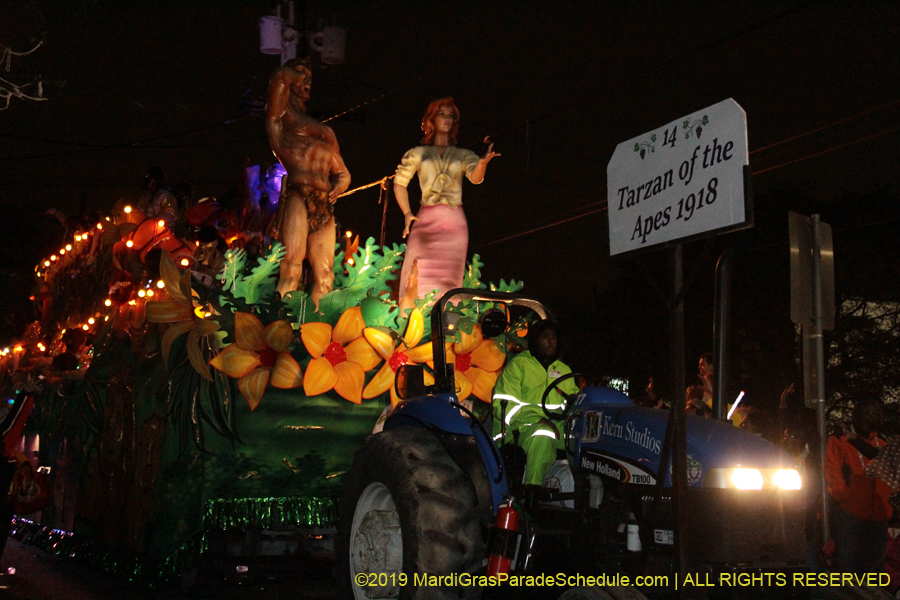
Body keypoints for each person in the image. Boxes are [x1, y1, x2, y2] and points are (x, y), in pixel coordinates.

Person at [394, 98, 499, 308]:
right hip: (425, 220)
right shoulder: (418, 153)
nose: (447, 120)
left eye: (451, 116)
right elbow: (399, 183)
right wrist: (406, 212)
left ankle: (443, 326)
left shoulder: (463, 155)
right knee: (413, 278)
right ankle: (409, 329)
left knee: (448, 283)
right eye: (442, 114)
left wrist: (483, 163)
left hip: (453, 225)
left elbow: (476, 177)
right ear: (431, 119)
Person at [266, 57, 351, 306]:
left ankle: (316, 330)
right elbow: (279, 79)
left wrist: (338, 188)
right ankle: (280, 326)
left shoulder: (324, 135)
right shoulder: (280, 123)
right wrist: (296, 73)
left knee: (325, 275)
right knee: (291, 265)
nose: (306, 82)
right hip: (299, 194)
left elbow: (343, 173)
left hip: (324, 200)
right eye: (300, 75)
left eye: (310, 79)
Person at [492, 319, 578, 488]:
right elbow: (504, 406)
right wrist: (539, 420)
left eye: (554, 337)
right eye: (545, 336)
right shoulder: (517, 366)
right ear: (533, 341)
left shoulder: (563, 370)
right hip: (514, 429)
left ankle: (579, 494)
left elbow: (574, 402)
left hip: (553, 425)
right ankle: (532, 491)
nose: (551, 341)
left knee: (582, 438)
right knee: (543, 434)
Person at [824, 399, 891, 575]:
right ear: (859, 417)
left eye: (878, 413)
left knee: (875, 569)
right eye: (872, 413)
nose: (877, 416)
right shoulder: (840, 439)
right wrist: (844, 496)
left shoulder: (882, 442)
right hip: (849, 513)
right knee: (848, 567)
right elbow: (832, 470)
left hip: (879, 514)